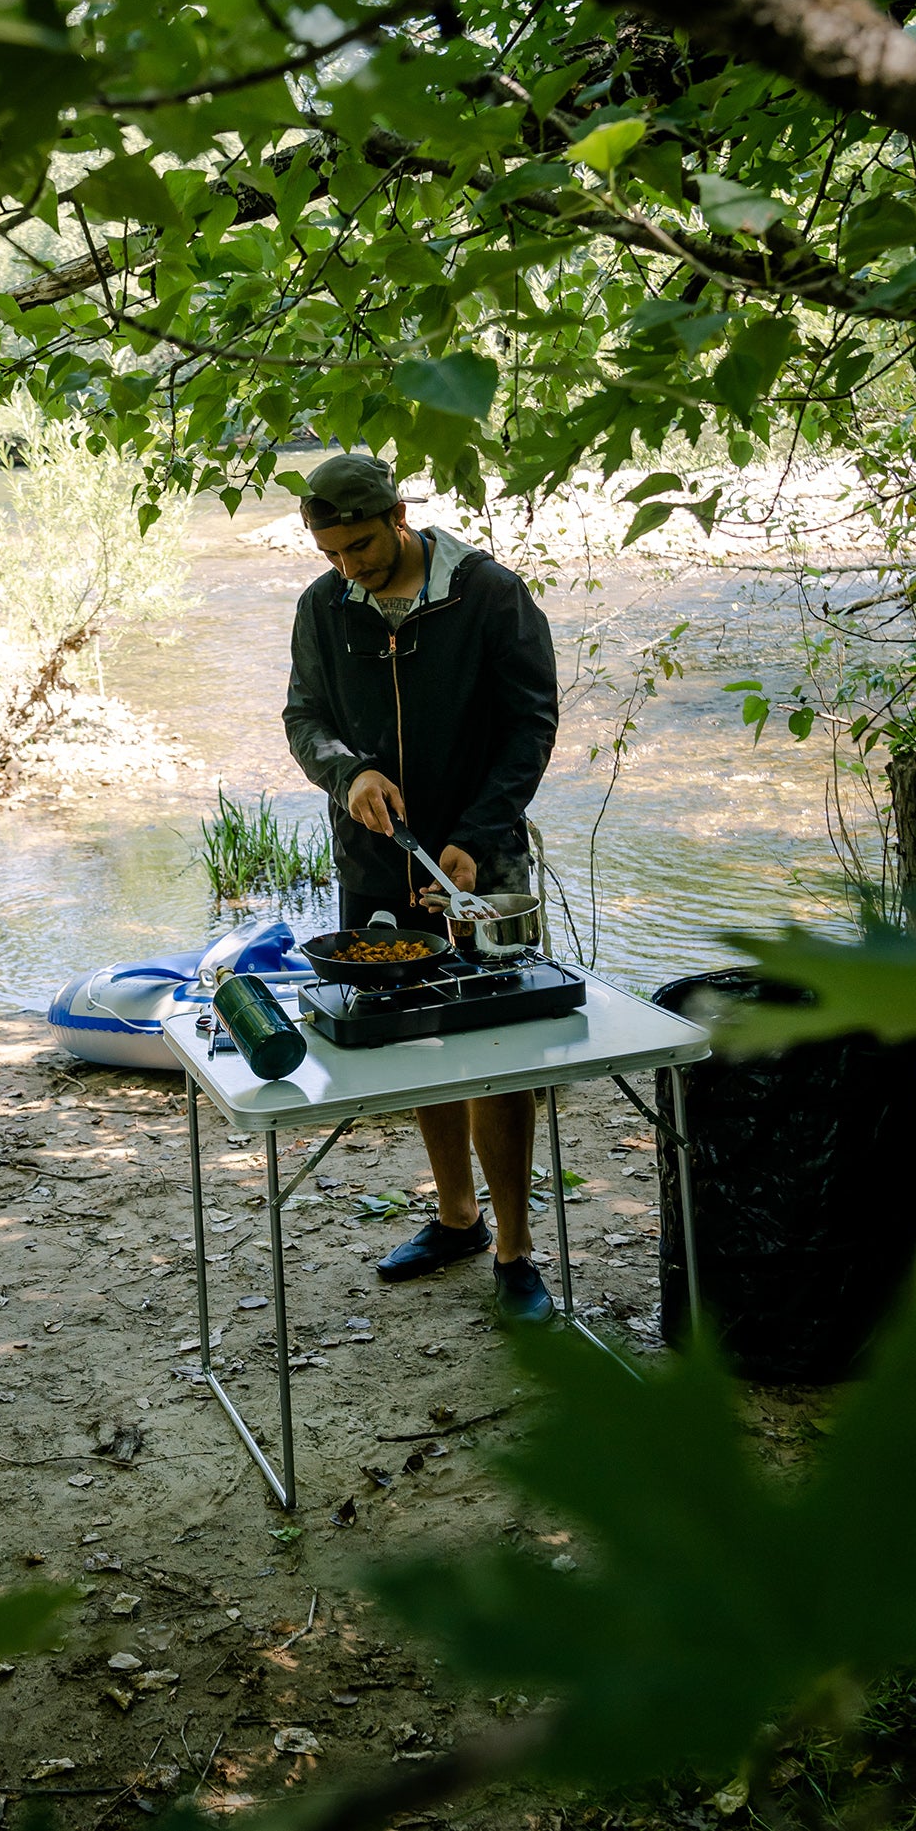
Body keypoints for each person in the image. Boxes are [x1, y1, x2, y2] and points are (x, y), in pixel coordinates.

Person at [282, 452, 562, 1324]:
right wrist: (348, 773)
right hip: (374, 859)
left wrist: (476, 837)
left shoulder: (488, 594)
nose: (350, 568)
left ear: (401, 515)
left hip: (480, 863)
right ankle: (456, 1217)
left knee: (498, 1052)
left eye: (361, 545)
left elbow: (531, 725)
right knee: (412, 1041)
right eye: (333, 554)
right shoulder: (323, 608)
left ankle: (515, 1250)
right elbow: (304, 719)